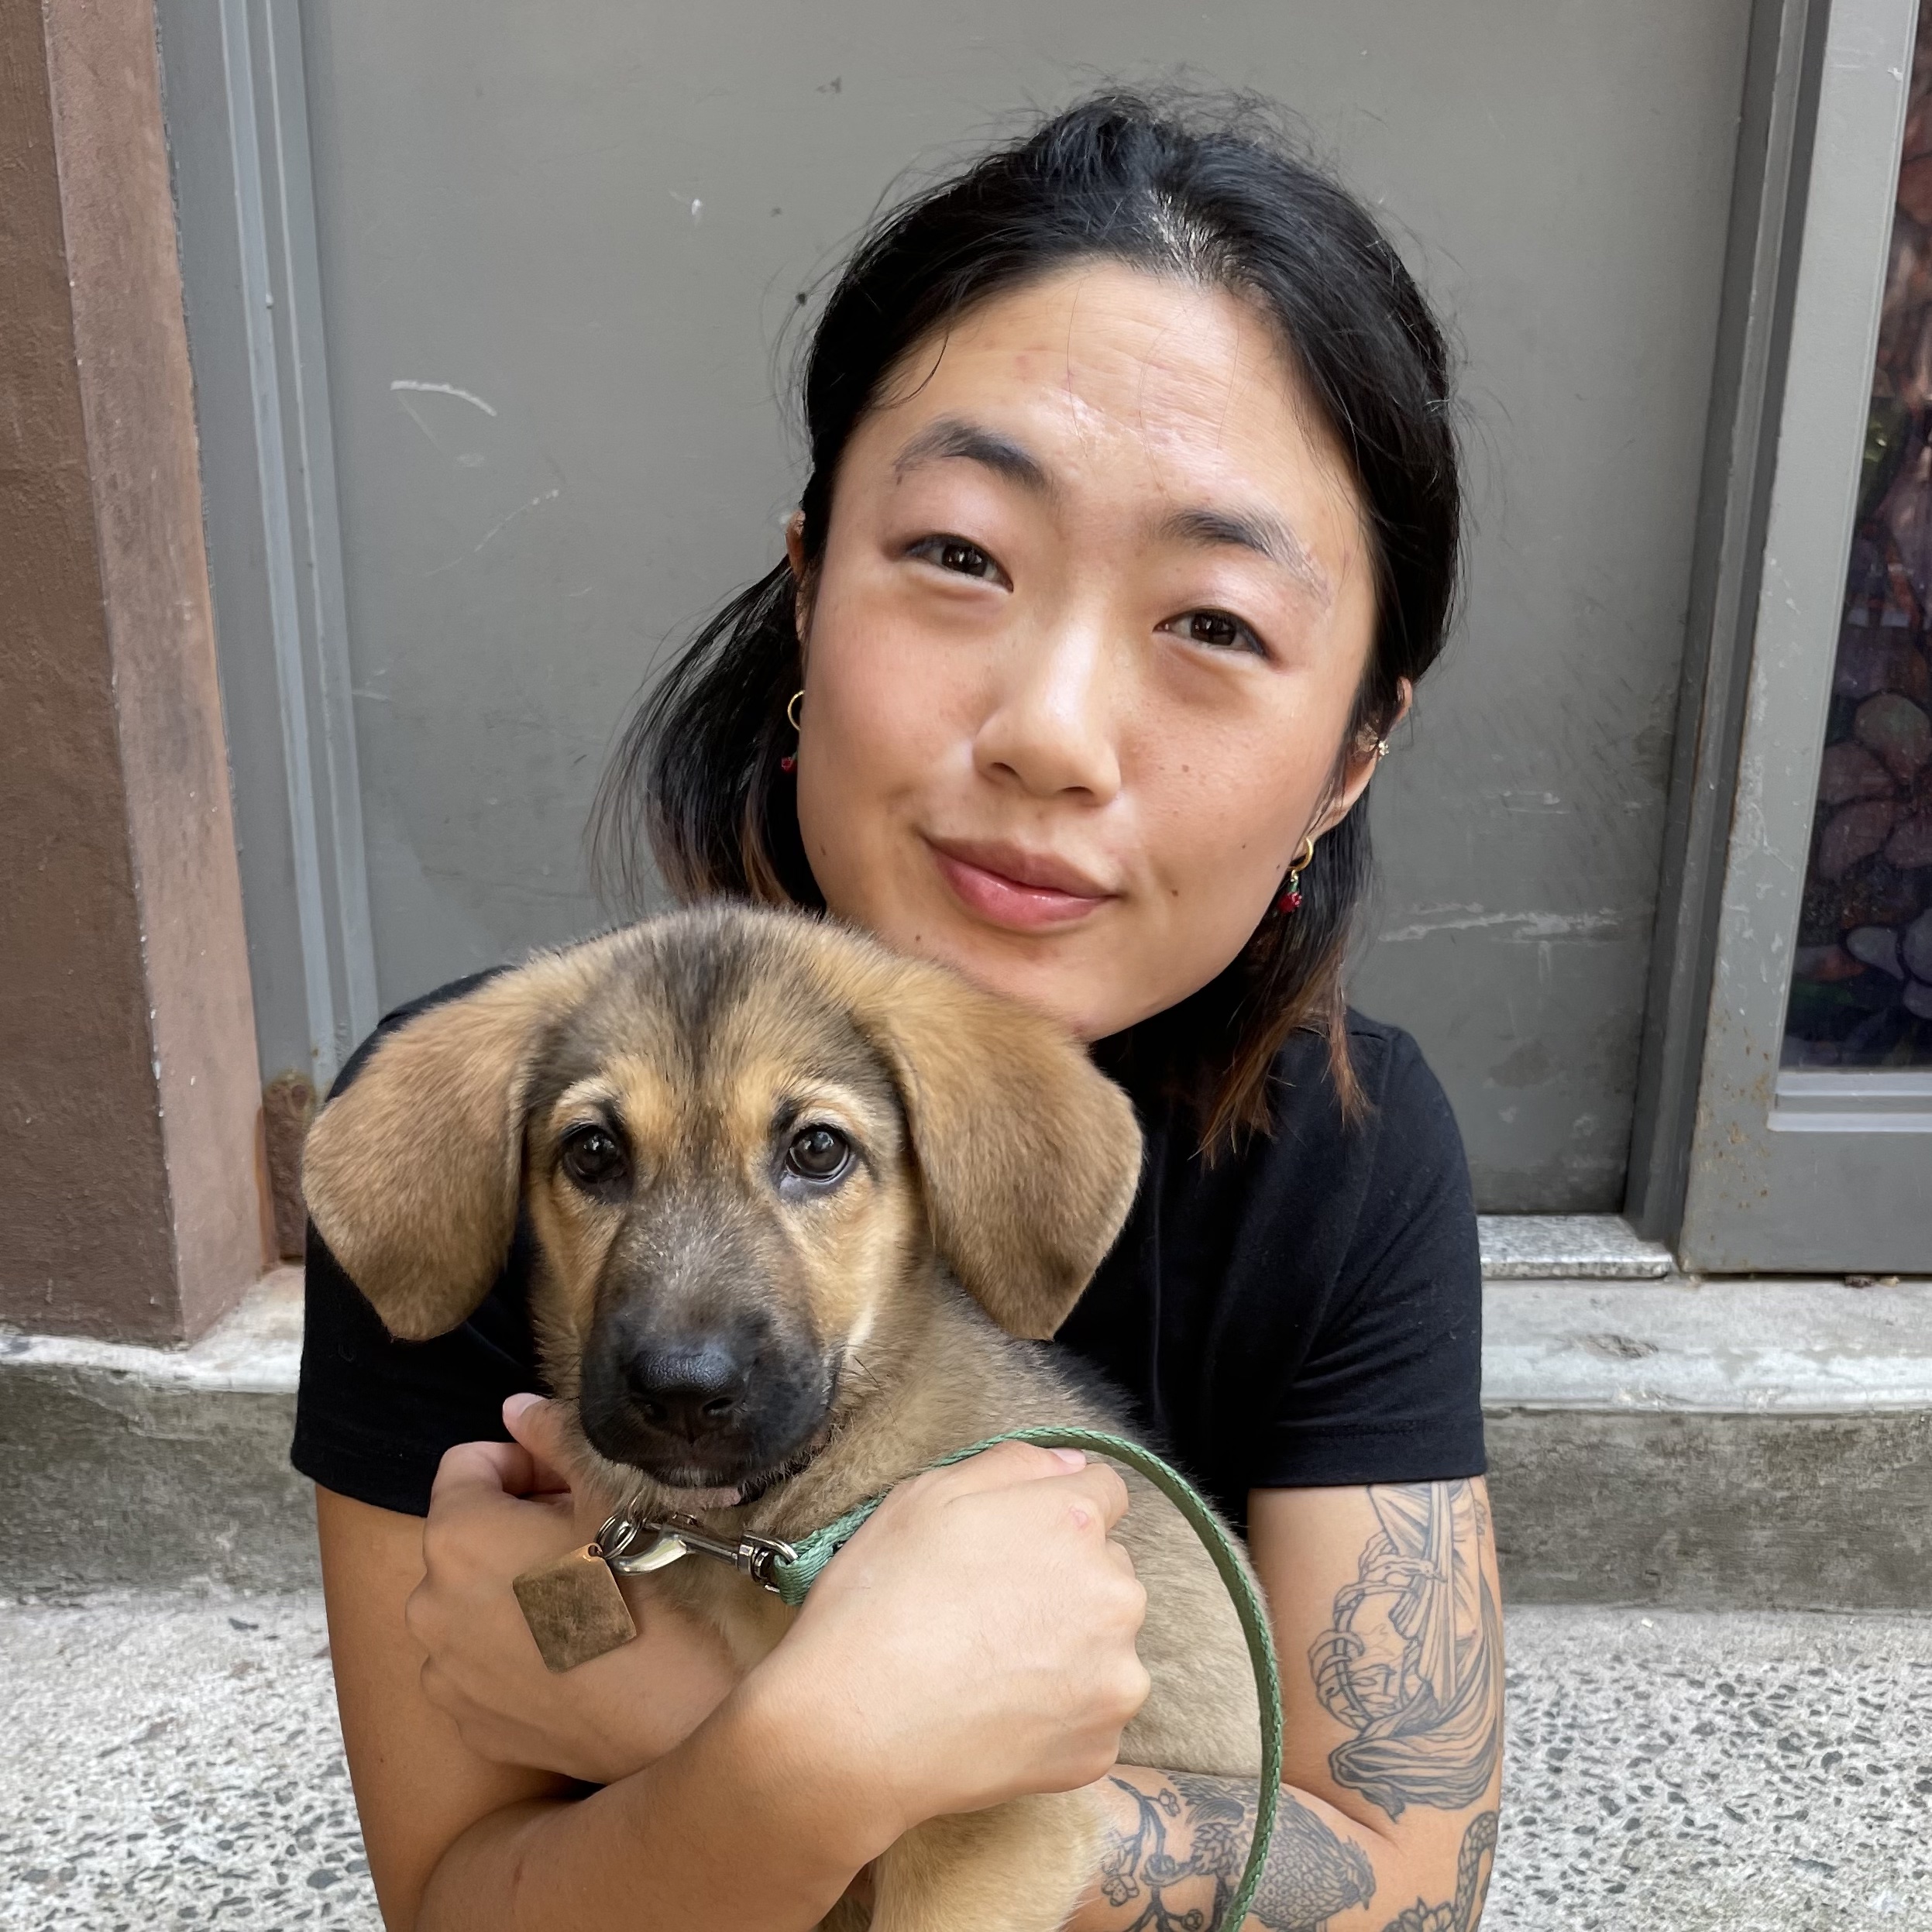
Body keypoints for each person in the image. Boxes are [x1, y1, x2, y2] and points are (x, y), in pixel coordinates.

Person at [294, 91, 1504, 1932]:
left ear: (1349, 755)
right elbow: (461, 1897)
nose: (1049, 730)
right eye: (958, 553)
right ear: (803, 590)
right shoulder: (493, 1111)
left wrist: (771, 1744)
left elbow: (1408, 1886)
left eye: (1214, 621)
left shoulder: (1349, 1152)